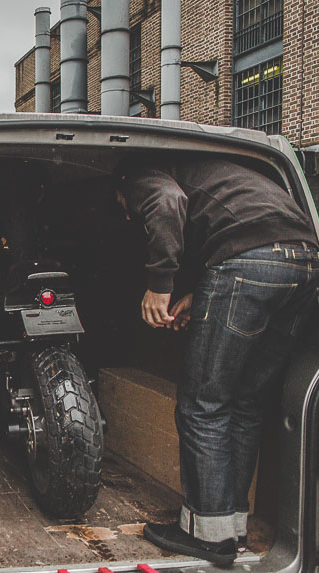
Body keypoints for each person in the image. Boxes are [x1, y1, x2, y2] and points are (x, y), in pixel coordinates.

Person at [114, 159, 319, 565]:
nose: (127, 213)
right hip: (305, 262)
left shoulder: (140, 175)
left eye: (124, 208)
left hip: (247, 263)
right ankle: (231, 528)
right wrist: (198, 293)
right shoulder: (224, 174)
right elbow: (241, 238)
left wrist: (160, 286)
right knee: (245, 402)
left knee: (201, 405)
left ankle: (207, 536)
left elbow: (167, 202)